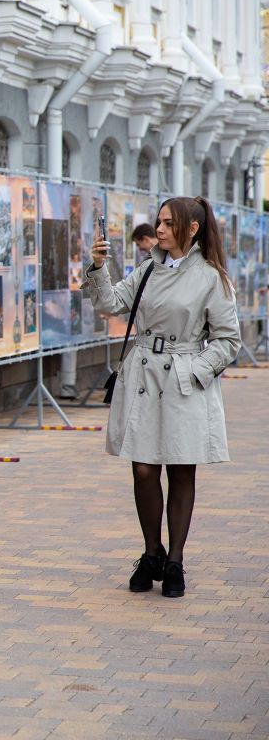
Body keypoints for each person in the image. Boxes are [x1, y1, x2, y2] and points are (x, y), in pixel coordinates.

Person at [83, 196, 239, 598]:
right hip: (144, 377)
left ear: (192, 228)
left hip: (184, 380)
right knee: (143, 469)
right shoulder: (149, 268)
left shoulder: (211, 277)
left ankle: (175, 562)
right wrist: (98, 267)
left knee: (182, 470)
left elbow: (228, 340)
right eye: (159, 222)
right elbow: (111, 303)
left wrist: (194, 370)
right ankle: (152, 552)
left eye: (169, 223)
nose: (160, 229)